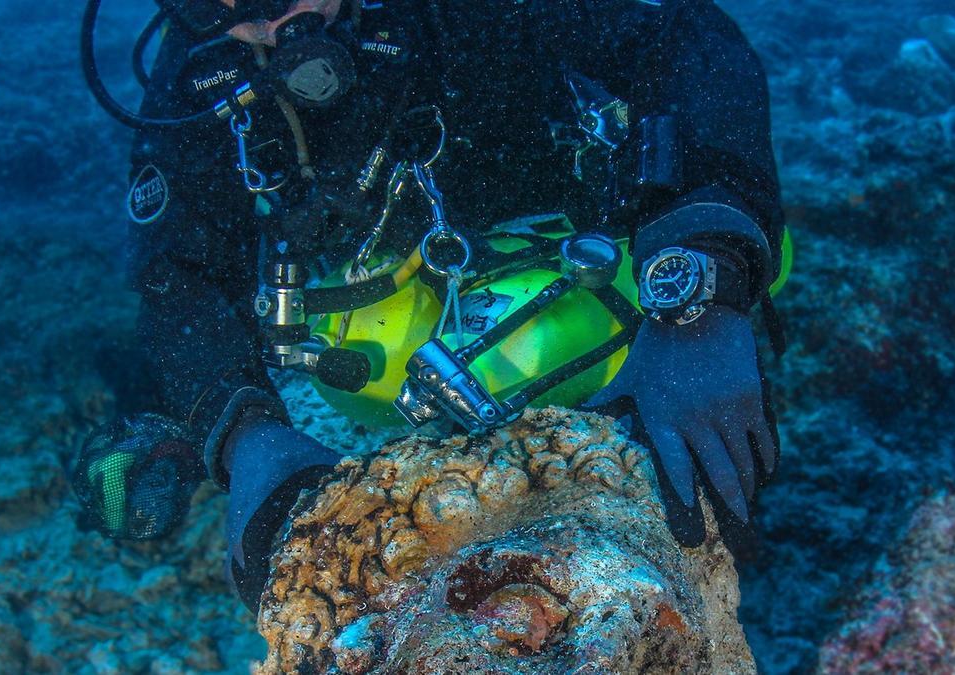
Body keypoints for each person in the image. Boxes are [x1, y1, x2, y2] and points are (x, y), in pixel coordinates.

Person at [76, 0, 784, 610]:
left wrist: (704, 279)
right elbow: (178, 273)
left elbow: (687, 41)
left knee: (760, 274)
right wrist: (241, 429)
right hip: (409, 296)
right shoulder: (199, 74)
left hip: (588, 242)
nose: (262, 19)